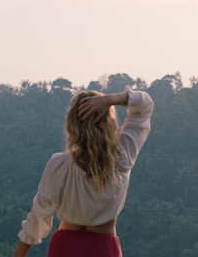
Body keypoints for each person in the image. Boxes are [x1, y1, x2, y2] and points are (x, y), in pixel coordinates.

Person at [13, 85, 154, 257]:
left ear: (72, 123)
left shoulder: (59, 164)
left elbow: (38, 217)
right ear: (108, 122)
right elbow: (144, 105)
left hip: (64, 247)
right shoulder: (122, 157)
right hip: (103, 248)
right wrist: (109, 100)